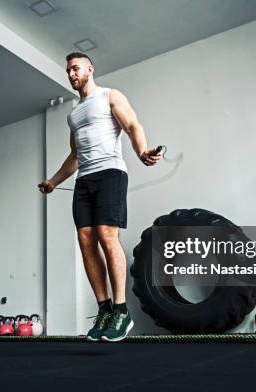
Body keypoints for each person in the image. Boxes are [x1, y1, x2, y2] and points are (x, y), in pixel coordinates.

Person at [38, 52, 162, 342]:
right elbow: (75, 156)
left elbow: (132, 125)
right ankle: (104, 308)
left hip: (110, 173)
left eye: (75, 68)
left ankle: (121, 310)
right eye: (68, 70)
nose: (71, 74)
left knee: (107, 235)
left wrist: (142, 151)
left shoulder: (109, 95)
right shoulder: (73, 114)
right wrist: (54, 182)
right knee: (85, 239)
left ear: (90, 69)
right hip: (84, 181)